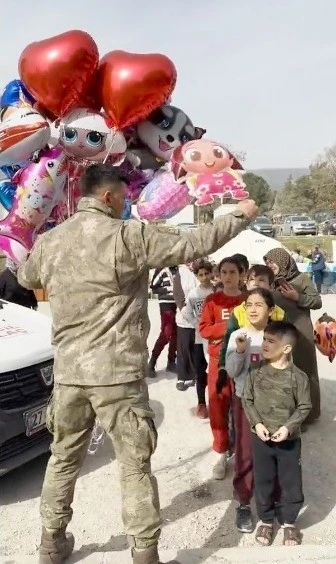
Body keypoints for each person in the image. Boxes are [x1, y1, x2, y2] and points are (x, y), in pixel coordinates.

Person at [17, 163, 259, 564]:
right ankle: (144, 554)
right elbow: (193, 245)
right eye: (124, 197)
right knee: (134, 466)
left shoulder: (50, 241)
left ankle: (51, 543)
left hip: (70, 375)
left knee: (62, 459)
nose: (128, 203)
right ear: (108, 197)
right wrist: (241, 214)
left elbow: (26, 275)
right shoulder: (128, 235)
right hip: (117, 376)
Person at [243, 321, 311, 547]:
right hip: (261, 438)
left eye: (271, 341)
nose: (264, 344)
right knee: (264, 480)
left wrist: (287, 428)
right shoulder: (256, 370)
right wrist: (257, 423)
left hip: (289, 441)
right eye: (264, 339)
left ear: (287, 349)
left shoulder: (298, 377)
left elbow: (304, 407)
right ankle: (266, 520)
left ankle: (289, 523)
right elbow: (247, 399)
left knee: (290, 481)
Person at [225, 288, 276, 534]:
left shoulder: (279, 335)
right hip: (245, 401)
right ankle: (243, 502)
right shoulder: (239, 335)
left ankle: (272, 498)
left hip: (274, 405)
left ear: (271, 310)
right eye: (249, 305)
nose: (253, 309)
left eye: (259, 305)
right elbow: (232, 372)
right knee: (245, 452)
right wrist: (241, 351)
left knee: (272, 451)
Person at [199, 256, 244, 480]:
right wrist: (229, 326)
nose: (228, 277)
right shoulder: (212, 300)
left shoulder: (248, 301)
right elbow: (204, 330)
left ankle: (243, 451)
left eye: (233, 272)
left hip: (244, 363)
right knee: (217, 405)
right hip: (219, 362)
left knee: (242, 407)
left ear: (242, 275)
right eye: (224, 272)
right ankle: (220, 451)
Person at [264, 248, 321, 423]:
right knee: (283, 373)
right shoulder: (271, 283)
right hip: (279, 333)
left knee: (305, 373)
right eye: (267, 263)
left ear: (283, 261)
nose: (269, 265)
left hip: (300, 332)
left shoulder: (302, 279)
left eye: (272, 262)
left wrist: (297, 297)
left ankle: (309, 416)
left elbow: (317, 302)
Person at [218, 265, 285, 370]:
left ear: (271, 286)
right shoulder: (238, 312)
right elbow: (228, 340)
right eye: (252, 279)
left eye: (261, 280)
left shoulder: (280, 314)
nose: (256, 283)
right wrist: (222, 365)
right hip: (242, 369)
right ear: (247, 284)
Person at [182, 259, 214, 418]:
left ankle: (216, 402)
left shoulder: (217, 291)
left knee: (216, 371)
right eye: (200, 274)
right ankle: (201, 403)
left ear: (211, 273)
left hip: (216, 336)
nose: (204, 277)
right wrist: (197, 324)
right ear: (196, 276)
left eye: (206, 273)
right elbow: (186, 312)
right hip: (200, 338)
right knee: (201, 372)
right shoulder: (194, 294)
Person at [148, 266, 178, 378]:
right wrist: (168, 289)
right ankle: (152, 362)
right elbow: (154, 288)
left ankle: (171, 361)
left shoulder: (180, 269)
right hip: (166, 303)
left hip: (178, 303)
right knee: (166, 333)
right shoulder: (162, 269)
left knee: (177, 333)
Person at [173, 262, 198, 391]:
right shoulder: (180, 273)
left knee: (196, 347)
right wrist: (183, 308)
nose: (191, 262)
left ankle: (195, 374)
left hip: (199, 316)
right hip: (185, 316)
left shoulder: (201, 272)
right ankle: (182, 377)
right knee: (183, 348)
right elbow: (177, 293)